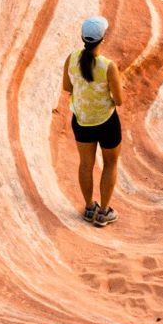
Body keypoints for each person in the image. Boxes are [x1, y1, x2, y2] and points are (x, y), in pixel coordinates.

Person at [58, 14, 124, 226]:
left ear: (83, 37)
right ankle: (104, 213)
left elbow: (67, 87)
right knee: (110, 164)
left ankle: (89, 208)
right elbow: (119, 100)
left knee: (86, 164)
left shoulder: (72, 58)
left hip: (82, 121)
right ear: (102, 39)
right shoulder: (108, 66)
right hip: (106, 122)